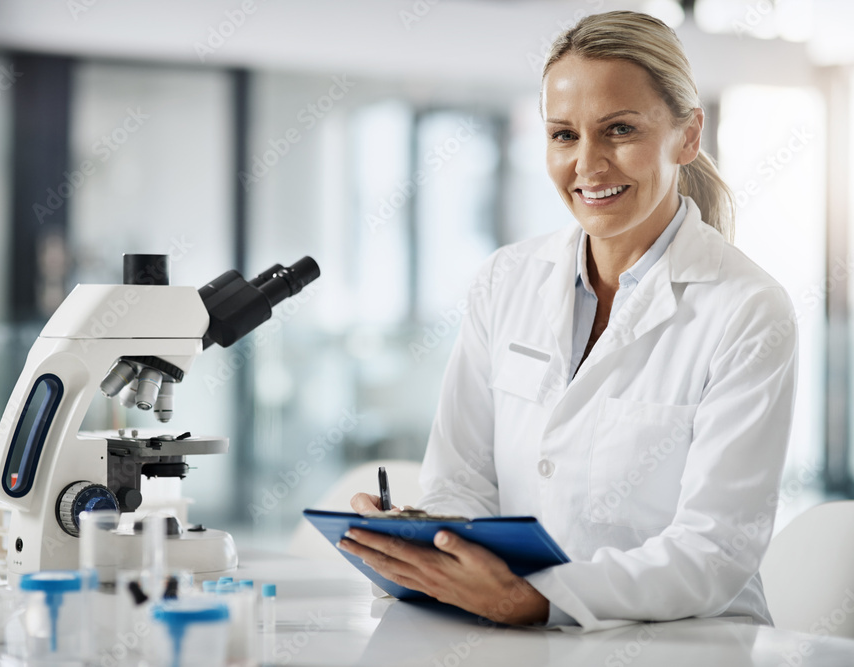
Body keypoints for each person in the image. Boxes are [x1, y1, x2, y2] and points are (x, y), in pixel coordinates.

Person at [341, 10, 798, 632]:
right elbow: (463, 484)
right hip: (520, 637)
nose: (589, 164)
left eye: (619, 130)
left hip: (689, 643)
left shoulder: (746, 309)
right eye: (564, 135)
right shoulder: (505, 280)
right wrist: (425, 543)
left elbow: (714, 551)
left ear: (688, 136)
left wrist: (536, 599)